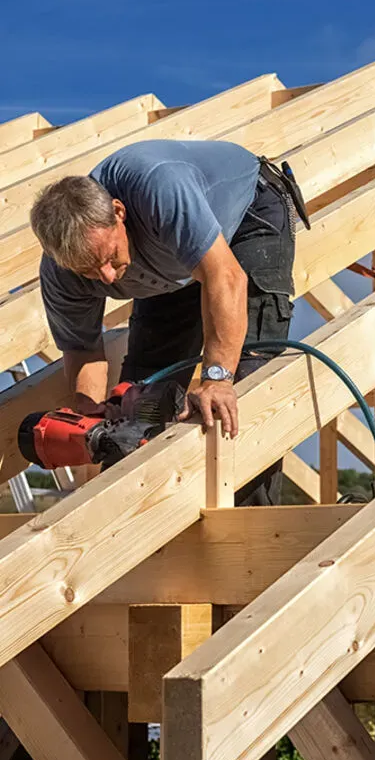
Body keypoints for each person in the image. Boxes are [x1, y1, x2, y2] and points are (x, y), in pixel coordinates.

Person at [30, 139, 299, 504]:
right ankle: (136, 526)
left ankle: (252, 529)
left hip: (246, 219)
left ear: (119, 212)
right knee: (138, 404)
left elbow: (225, 277)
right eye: (88, 270)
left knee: (243, 384)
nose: (106, 276)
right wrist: (91, 413)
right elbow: (82, 349)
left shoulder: (159, 189)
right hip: (171, 266)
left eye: (108, 256)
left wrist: (217, 378)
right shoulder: (60, 273)